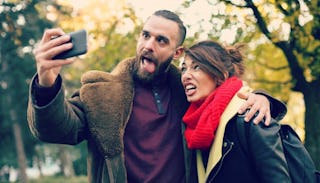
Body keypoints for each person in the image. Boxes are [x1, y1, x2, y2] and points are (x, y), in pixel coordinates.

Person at [27, 10, 285, 183]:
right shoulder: (100, 93)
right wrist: (47, 79)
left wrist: (260, 97)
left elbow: (226, 92)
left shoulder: (189, 94)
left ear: (177, 52)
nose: (149, 45)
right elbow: (57, 129)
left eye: (161, 40)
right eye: (146, 35)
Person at [180, 40, 290, 183]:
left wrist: (263, 97)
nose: (185, 76)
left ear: (221, 76)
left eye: (196, 67)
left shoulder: (251, 117)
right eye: (183, 69)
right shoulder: (193, 124)